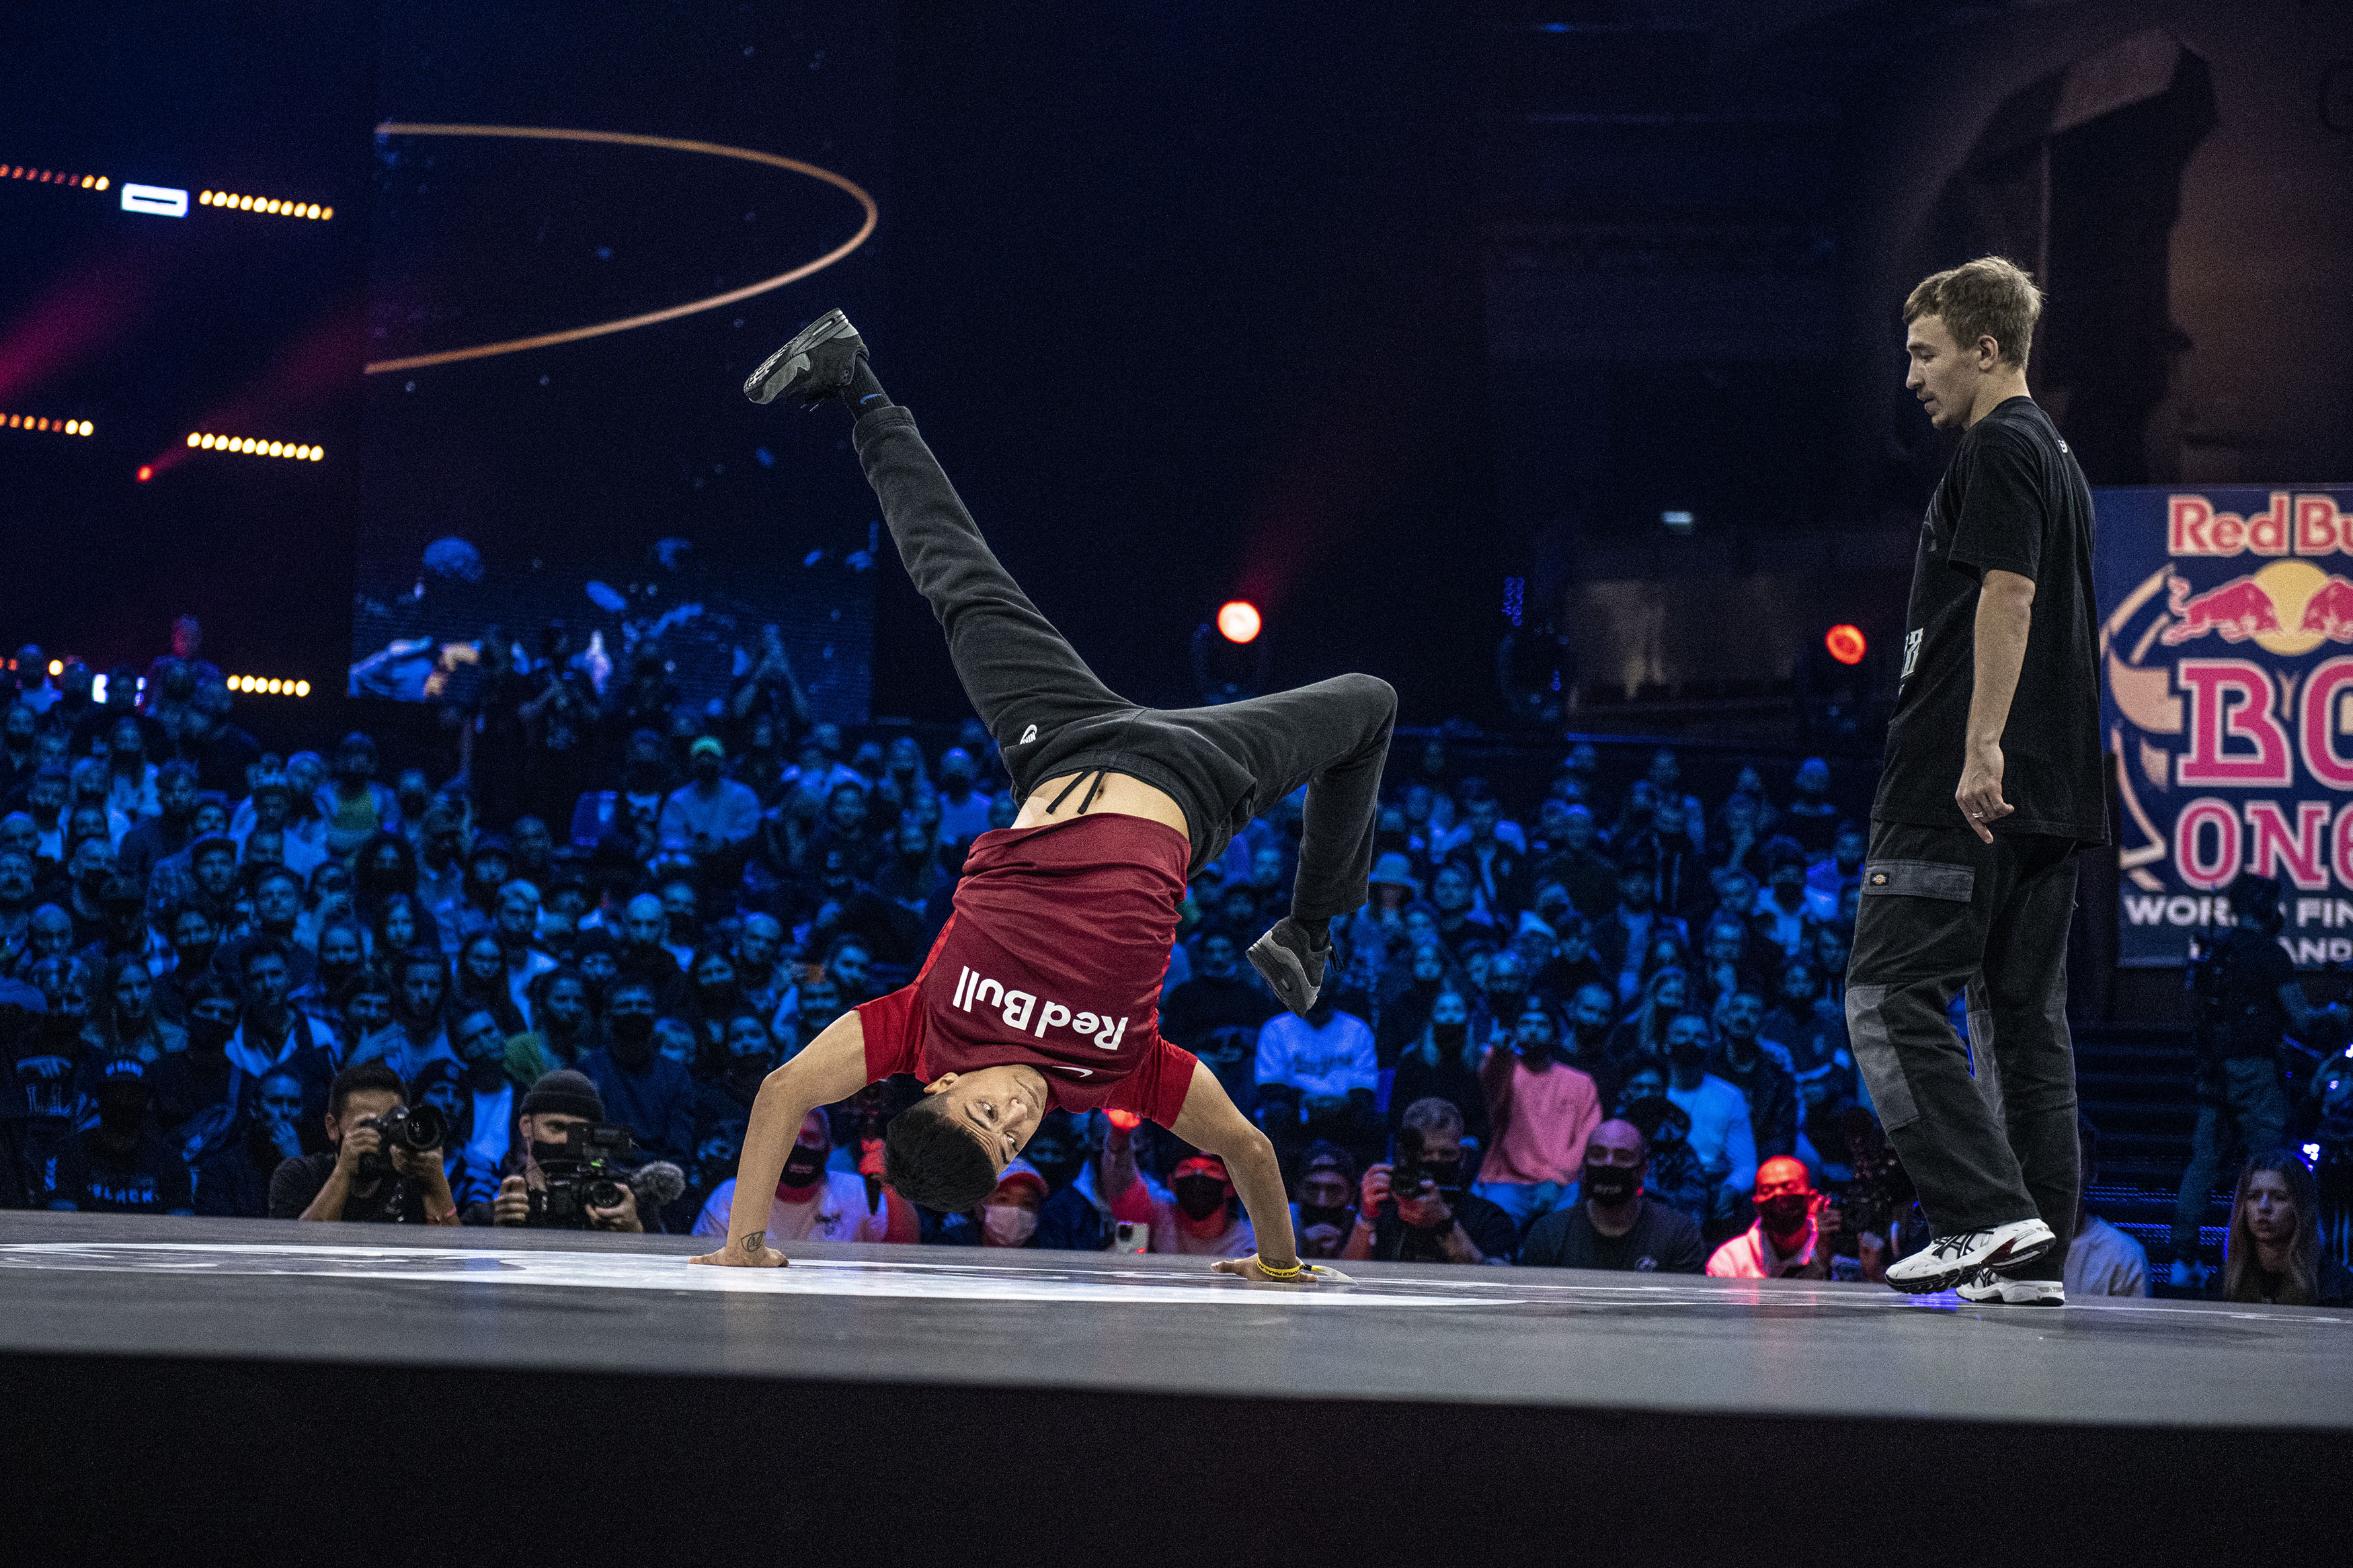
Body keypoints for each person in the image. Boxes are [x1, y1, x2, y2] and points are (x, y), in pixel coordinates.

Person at [694, 311, 1393, 1283]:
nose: (1016, 1117)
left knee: (958, 575)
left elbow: (782, 1090)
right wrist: (1277, 1264)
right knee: (1371, 704)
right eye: (1013, 1141)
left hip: (1056, 741)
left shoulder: (918, 1027)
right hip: (1195, 779)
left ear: (936, 1085)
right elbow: (1251, 1150)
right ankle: (1311, 934)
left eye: (985, 1114)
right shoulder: (1121, 1074)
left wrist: (746, 1242)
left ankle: (852, 381)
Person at [1849, 257, 2109, 1295]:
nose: (1912, 376)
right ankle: (2035, 1252)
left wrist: (1979, 746)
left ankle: (1979, 1213)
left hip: (1967, 786)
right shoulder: (2058, 455)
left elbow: (2010, 595)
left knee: (1885, 995)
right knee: (2020, 1016)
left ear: (1986, 349)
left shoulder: (1999, 449)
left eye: (1925, 352)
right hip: (2054, 791)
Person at [2170, 874, 2338, 1286]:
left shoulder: (2215, 950)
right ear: (2265, 907)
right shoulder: (2270, 954)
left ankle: (2182, 1260)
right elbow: (2302, 1019)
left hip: (2213, 1072)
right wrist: (2337, 1014)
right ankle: (2285, 1263)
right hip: (2256, 1073)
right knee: (2274, 1168)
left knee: (2203, 1165)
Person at [268, 1061, 462, 1224]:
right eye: (369, 1125)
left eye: (393, 1124)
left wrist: (437, 1184)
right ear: (333, 1128)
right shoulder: (298, 1176)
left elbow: (451, 1258)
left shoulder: (411, 1180)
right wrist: (344, 1171)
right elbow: (297, 1252)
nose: (383, 1135)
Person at [690, 1108, 912, 1244]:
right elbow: (703, 1275)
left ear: (829, 1149)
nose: (799, 1146)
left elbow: (904, 1256)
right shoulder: (732, 1198)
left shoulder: (858, 1192)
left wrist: (892, 1187)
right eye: (788, 1137)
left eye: (811, 1137)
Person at [1340, 1097, 1517, 1266]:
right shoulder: (1383, 1210)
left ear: (1461, 1157)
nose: (1435, 1162)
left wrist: (1444, 1224)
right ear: (1404, 1155)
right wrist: (1366, 1219)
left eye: (1445, 1153)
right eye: (1424, 1153)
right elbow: (1346, 1282)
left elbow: (1499, 1284)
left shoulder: (1488, 1217)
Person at [1473, 1003, 1603, 1231]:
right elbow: (1491, 1078)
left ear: (1555, 1034)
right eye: (1525, 1024)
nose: (1533, 1030)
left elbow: (1588, 1136)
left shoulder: (1581, 1082)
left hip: (1564, 1182)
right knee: (1493, 1229)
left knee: (1571, 1229)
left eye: (1542, 1024)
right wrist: (1499, 1053)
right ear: (1514, 1031)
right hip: (1506, 1180)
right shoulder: (1504, 1071)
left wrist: (1556, 1179)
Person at [1517, 1118, 1706, 1272]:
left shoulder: (1679, 1234)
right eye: (1598, 1155)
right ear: (1584, 1167)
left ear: (1643, 1170)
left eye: (1623, 1157)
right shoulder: (1548, 1233)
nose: (1609, 1164)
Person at [40, 1057, 195, 1214]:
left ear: (149, 1102)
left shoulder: (171, 1162)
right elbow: (63, 1226)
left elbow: (181, 1228)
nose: (123, 1103)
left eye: (133, 1095)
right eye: (115, 1094)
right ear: (99, 1099)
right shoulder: (68, 1153)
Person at [2210, 1149, 2353, 1307]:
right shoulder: (2222, 1283)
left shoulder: (2335, 1287)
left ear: (2301, 1208)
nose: (2264, 1207)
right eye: (2254, 1196)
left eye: (2279, 1197)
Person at [1706, 1156, 1842, 1280]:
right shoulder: (1730, 1260)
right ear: (1757, 1206)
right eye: (1767, 1191)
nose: (1778, 1195)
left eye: (1789, 1188)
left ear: (1811, 1200)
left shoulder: (1833, 1248)